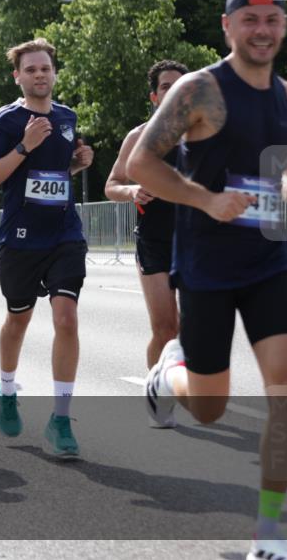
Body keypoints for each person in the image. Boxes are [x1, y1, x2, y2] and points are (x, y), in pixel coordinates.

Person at [128, 0, 287, 560]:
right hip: (206, 265)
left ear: (283, 26)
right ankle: (167, 374)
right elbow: (141, 163)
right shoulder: (198, 90)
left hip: (266, 261)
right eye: (250, 20)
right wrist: (205, 199)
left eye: (273, 20)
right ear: (228, 27)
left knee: (286, 386)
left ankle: (268, 535)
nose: (263, 31)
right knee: (207, 408)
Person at [0, 38, 94, 458]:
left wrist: (79, 163)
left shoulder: (67, 116)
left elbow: (56, 171)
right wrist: (24, 144)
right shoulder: (4, 120)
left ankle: (61, 419)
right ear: (18, 76)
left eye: (45, 68)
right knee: (18, 320)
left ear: (53, 72)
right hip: (21, 237)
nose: (40, 75)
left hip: (64, 232)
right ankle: (6, 390)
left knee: (66, 319)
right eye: (31, 70)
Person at [104, 60, 188, 370]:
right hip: (155, 241)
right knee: (165, 328)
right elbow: (111, 185)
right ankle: (158, 394)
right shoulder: (137, 138)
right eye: (166, 86)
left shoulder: (205, 137)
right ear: (154, 96)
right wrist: (132, 191)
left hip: (197, 241)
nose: (173, 91)